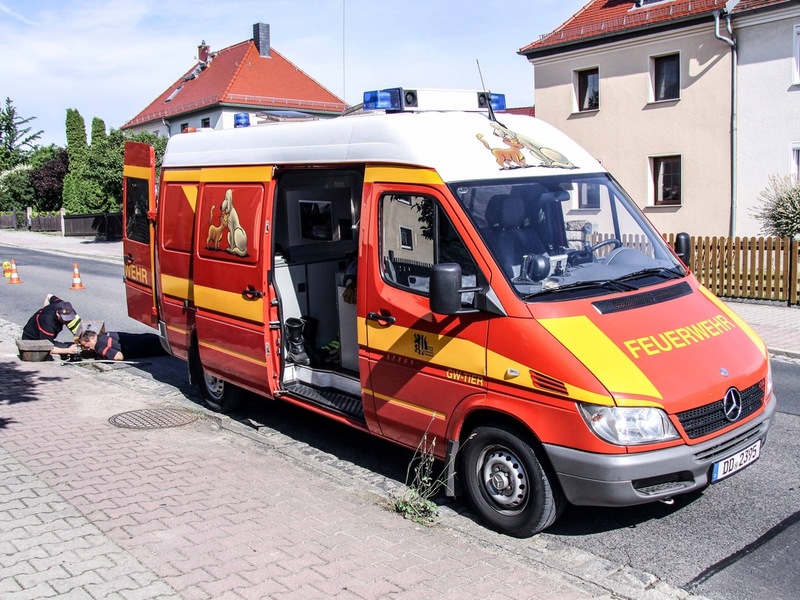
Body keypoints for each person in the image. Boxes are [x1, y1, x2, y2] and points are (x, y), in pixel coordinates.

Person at [78, 330, 167, 361]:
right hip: (150, 338)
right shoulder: (104, 335)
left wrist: (100, 358)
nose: (88, 349)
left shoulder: (100, 346)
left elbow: (118, 356)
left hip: (152, 348)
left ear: (93, 338)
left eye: (87, 346)